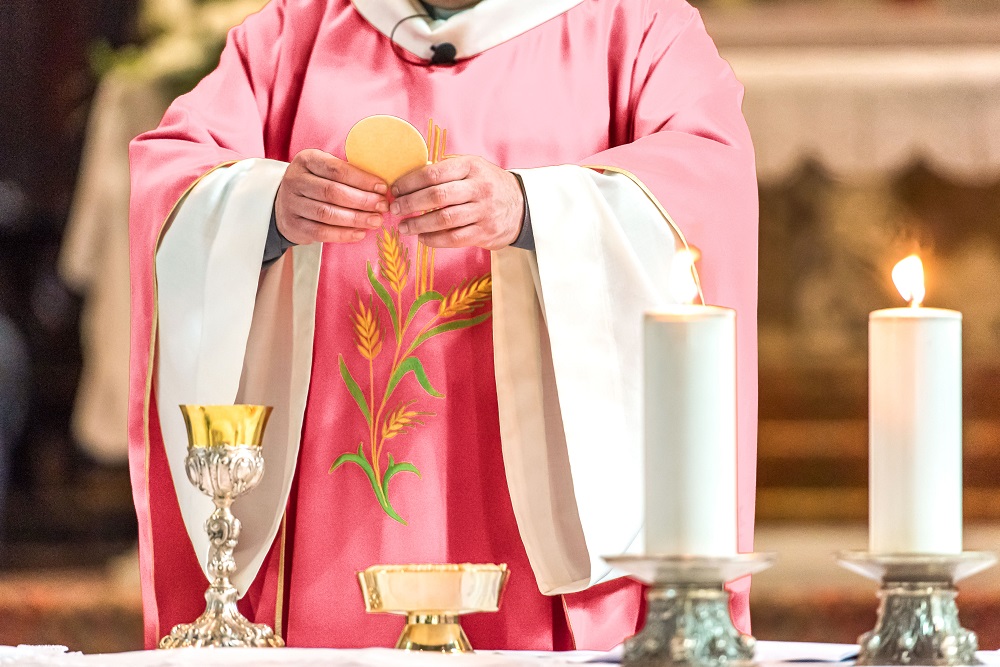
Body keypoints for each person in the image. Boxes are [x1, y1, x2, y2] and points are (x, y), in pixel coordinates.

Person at [128, 0, 758, 651]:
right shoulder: (296, 30)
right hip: (328, 511)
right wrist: (263, 205)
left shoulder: (637, 25)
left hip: (541, 514)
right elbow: (173, 173)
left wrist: (533, 207)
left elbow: (710, 181)